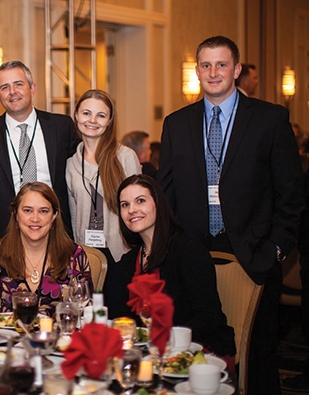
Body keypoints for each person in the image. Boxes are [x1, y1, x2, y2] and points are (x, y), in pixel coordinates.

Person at [157, 36, 303, 394]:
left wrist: (276, 251)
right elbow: (167, 195)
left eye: (221, 64)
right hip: (192, 256)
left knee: (258, 355)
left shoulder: (270, 119)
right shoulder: (177, 124)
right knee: (195, 353)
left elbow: (292, 194)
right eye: (205, 65)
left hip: (254, 255)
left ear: (236, 70)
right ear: (197, 71)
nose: (213, 72)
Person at [104, 174, 235, 357]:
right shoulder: (129, 262)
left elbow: (207, 317)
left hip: (197, 352)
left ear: (158, 203)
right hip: (148, 354)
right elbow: (119, 316)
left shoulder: (187, 250)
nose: (132, 209)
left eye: (140, 201)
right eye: (125, 204)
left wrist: (166, 342)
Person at [0, 60, 78, 263]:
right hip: (2, 242)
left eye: (18, 84)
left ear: (32, 88)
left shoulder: (62, 127)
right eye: (4, 87)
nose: (12, 92)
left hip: (57, 237)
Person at [0, 182, 91, 317]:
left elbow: (85, 313)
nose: (35, 218)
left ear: (54, 216)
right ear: (16, 214)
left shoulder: (75, 255)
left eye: (43, 211)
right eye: (27, 210)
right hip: (8, 337)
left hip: (62, 337)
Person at [66, 90, 140, 266]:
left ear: (109, 121)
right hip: (86, 256)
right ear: (76, 115)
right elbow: (74, 216)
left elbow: (138, 207)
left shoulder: (125, 157)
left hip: (121, 254)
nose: (92, 120)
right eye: (86, 113)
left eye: (101, 115)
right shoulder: (71, 164)